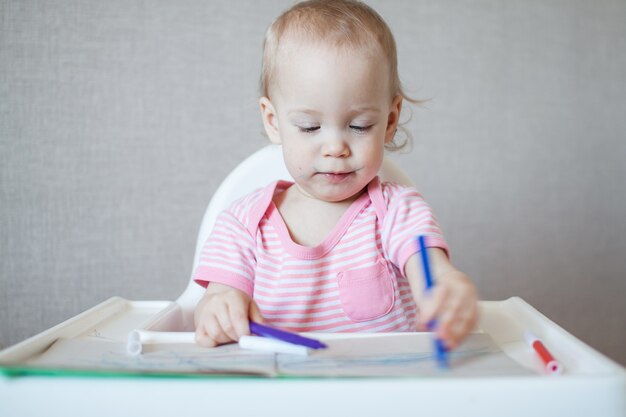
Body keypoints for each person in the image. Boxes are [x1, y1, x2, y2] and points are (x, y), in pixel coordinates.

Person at [193, 0, 478, 351]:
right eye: (310, 127)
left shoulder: (397, 211)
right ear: (273, 121)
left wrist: (446, 291)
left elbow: (432, 274)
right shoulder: (241, 225)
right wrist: (219, 310)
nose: (335, 147)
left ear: (389, 121)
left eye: (359, 126)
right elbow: (215, 302)